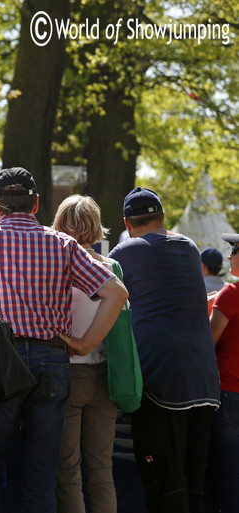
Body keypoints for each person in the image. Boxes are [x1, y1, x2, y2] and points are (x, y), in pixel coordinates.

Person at [0, 167, 128, 513]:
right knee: (42, 472)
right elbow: (116, 294)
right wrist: (83, 344)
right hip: (52, 360)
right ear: (36, 203)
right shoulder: (63, 244)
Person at [108, 186, 220, 513]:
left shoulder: (125, 252)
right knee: (194, 484)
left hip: (161, 381)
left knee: (163, 484)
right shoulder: (189, 247)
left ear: (128, 223)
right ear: (163, 217)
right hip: (203, 380)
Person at [52, 195, 119, 513]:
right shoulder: (111, 267)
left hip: (70, 371)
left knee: (68, 470)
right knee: (102, 471)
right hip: (107, 375)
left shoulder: (58, 265)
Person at [207, 233, 239, 513]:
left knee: (227, 482)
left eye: (235, 251)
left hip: (229, 396)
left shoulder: (231, 294)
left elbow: (207, 341)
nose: (229, 256)